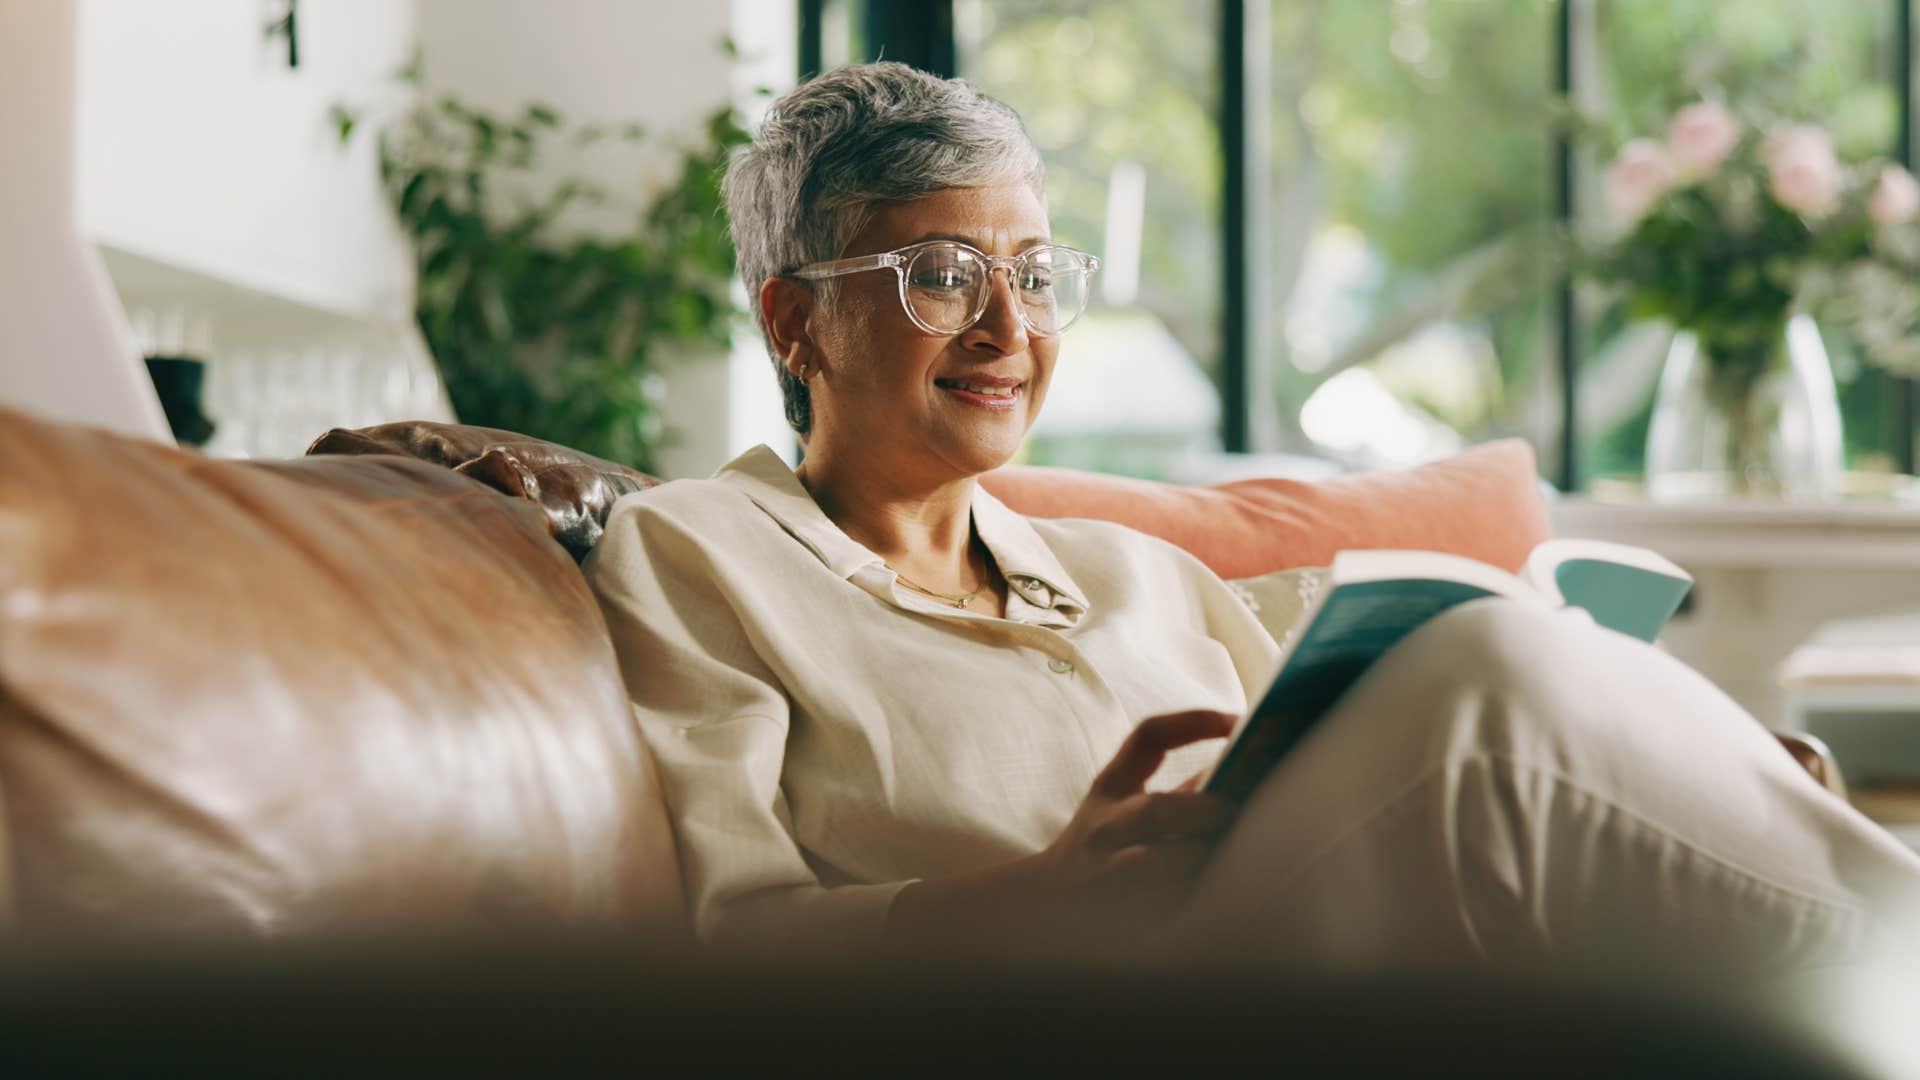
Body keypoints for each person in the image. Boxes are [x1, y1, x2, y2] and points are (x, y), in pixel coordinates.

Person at [583, 62, 1920, 976]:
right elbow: (734, 935)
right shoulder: (698, 551)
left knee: (1537, 669)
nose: (1009, 329)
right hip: (1103, 1004)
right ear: (793, 318)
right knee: (1486, 679)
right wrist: (1032, 898)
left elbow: (1348, 787)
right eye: (941, 276)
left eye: (1038, 276)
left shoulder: (1138, 577)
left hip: (1352, 953)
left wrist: (1693, 765)